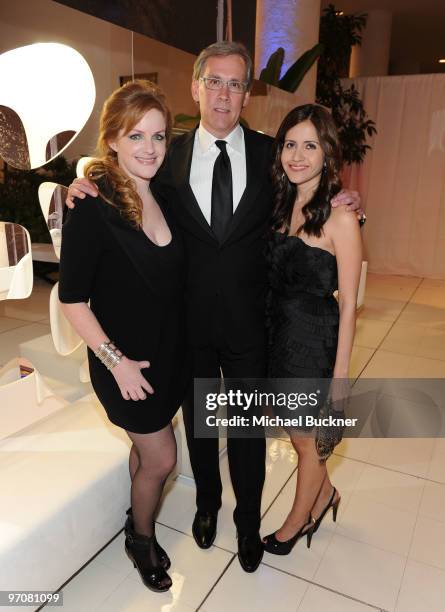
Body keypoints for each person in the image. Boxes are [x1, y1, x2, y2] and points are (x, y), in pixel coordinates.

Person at [66, 41, 363, 573]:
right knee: (202, 430)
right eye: (214, 81)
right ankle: (207, 505)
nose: (224, 93)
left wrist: (347, 200)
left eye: (235, 83)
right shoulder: (166, 154)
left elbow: (310, 183)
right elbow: (118, 170)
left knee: (247, 433)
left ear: (247, 94)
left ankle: (248, 520)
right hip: (187, 328)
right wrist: (81, 178)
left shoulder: (274, 153)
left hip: (253, 326)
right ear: (195, 87)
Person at [59, 80, 189, 591]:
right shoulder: (91, 206)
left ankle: (138, 509)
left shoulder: (169, 198)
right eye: (137, 137)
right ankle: (140, 537)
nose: (150, 149)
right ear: (111, 139)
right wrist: (116, 362)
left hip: (168, 354)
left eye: (159, 137)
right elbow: (72, 301)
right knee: (163, 457)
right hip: (124, 363)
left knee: (145, 451)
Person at [263, 104, 362, 555]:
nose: (297, 156)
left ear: (327, 152)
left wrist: (340, 373)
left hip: (313, 339)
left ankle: (295, 524)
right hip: (275, 332)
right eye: (289, 144)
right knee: (292, 429)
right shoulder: (280, 201)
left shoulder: (341, 216)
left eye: (310, 145)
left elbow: (349, 306)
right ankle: (325, 497)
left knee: (306, 444)